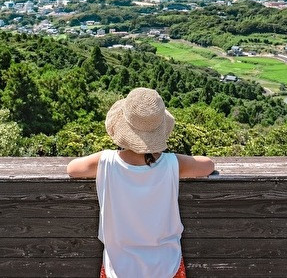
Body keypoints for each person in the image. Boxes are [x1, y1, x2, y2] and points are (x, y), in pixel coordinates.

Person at [67, 87, 215, 278]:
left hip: (118, 267)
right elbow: (208, 165)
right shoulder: (172, 163)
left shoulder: (105, 161)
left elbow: (72, 168)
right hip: (166, 266)